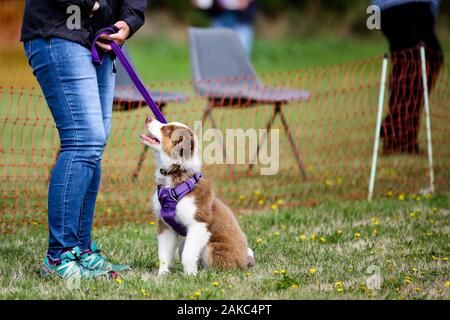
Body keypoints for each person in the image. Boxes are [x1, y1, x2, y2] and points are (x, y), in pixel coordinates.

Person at [21, 0, 147, 279]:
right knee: (83, 141)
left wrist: (128, 22)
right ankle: (58, 257)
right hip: (59, 30)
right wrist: (90, 5)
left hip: (101, 36)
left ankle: (81, 250)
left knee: (94, 145)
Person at [373, 0, 444, 154]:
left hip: (392, 8)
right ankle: (396, 131)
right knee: (417, 62)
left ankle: (399, 133)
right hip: (406, 7)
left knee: (409, 65)